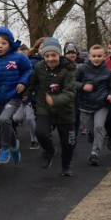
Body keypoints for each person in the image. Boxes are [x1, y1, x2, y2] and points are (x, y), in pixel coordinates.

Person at [0, 26, 32, 165]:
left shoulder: (19, 57)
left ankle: (5, 149)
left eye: (4, 43)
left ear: (10, 44)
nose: (0, 46)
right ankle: (14, 145)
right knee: (4, 123)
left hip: (13, 96)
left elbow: (28, 70)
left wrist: (23, 81)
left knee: (4, 119)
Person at [26, 37, 77, 176]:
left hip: (65, 110)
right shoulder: (39, 67)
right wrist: (26, 93)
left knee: (68, 143)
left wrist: (55, 100)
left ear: (59, 55)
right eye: (47, 56)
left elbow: (70, 92)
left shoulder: (67, 71)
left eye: (54, 55)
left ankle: (66, 165)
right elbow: (32, 81)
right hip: (45, 106)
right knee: (40, 132)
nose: (50, 59)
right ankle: (49, 151)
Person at [74, 44, 111, 166]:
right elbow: (72, 81)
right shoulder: (82, 68)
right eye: (94, 56)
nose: (96, 58)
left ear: (104, 56)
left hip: (101, 104)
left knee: (99, 127)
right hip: (85, 104)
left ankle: (95, 154)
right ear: (89, 57)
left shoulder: (108, 72)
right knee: (90, 129)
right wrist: (82, 86)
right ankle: (90, 134)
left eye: (99, 56)